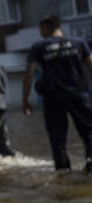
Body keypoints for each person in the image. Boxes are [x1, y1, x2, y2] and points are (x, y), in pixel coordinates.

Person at [22, 14, 92, 174]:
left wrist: (25, 100)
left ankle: (63, 173)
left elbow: (29, 74)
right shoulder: (79, 43)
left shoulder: (38, 47)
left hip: (54, 98)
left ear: (46, 27)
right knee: (89, 132)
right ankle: (90, 163)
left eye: (40, 28)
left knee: (57, 137)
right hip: (79, 95)